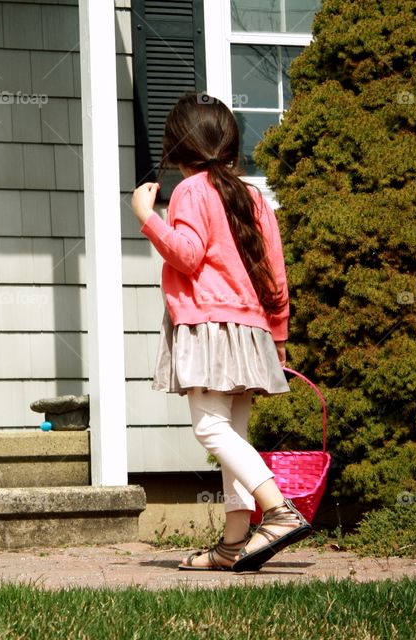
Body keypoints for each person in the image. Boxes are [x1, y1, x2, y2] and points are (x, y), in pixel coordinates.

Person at [130, 93, 312, 572]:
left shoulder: (191, 191)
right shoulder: (252, 196)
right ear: (231, 145)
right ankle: (232, 545)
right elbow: (275, 273)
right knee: (234, 434)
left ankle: (276, 510)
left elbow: (187, 255)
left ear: (177, 148)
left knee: (210, 427)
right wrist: (277, 333)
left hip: (210, 326)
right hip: (251, 331)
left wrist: (147, 218)